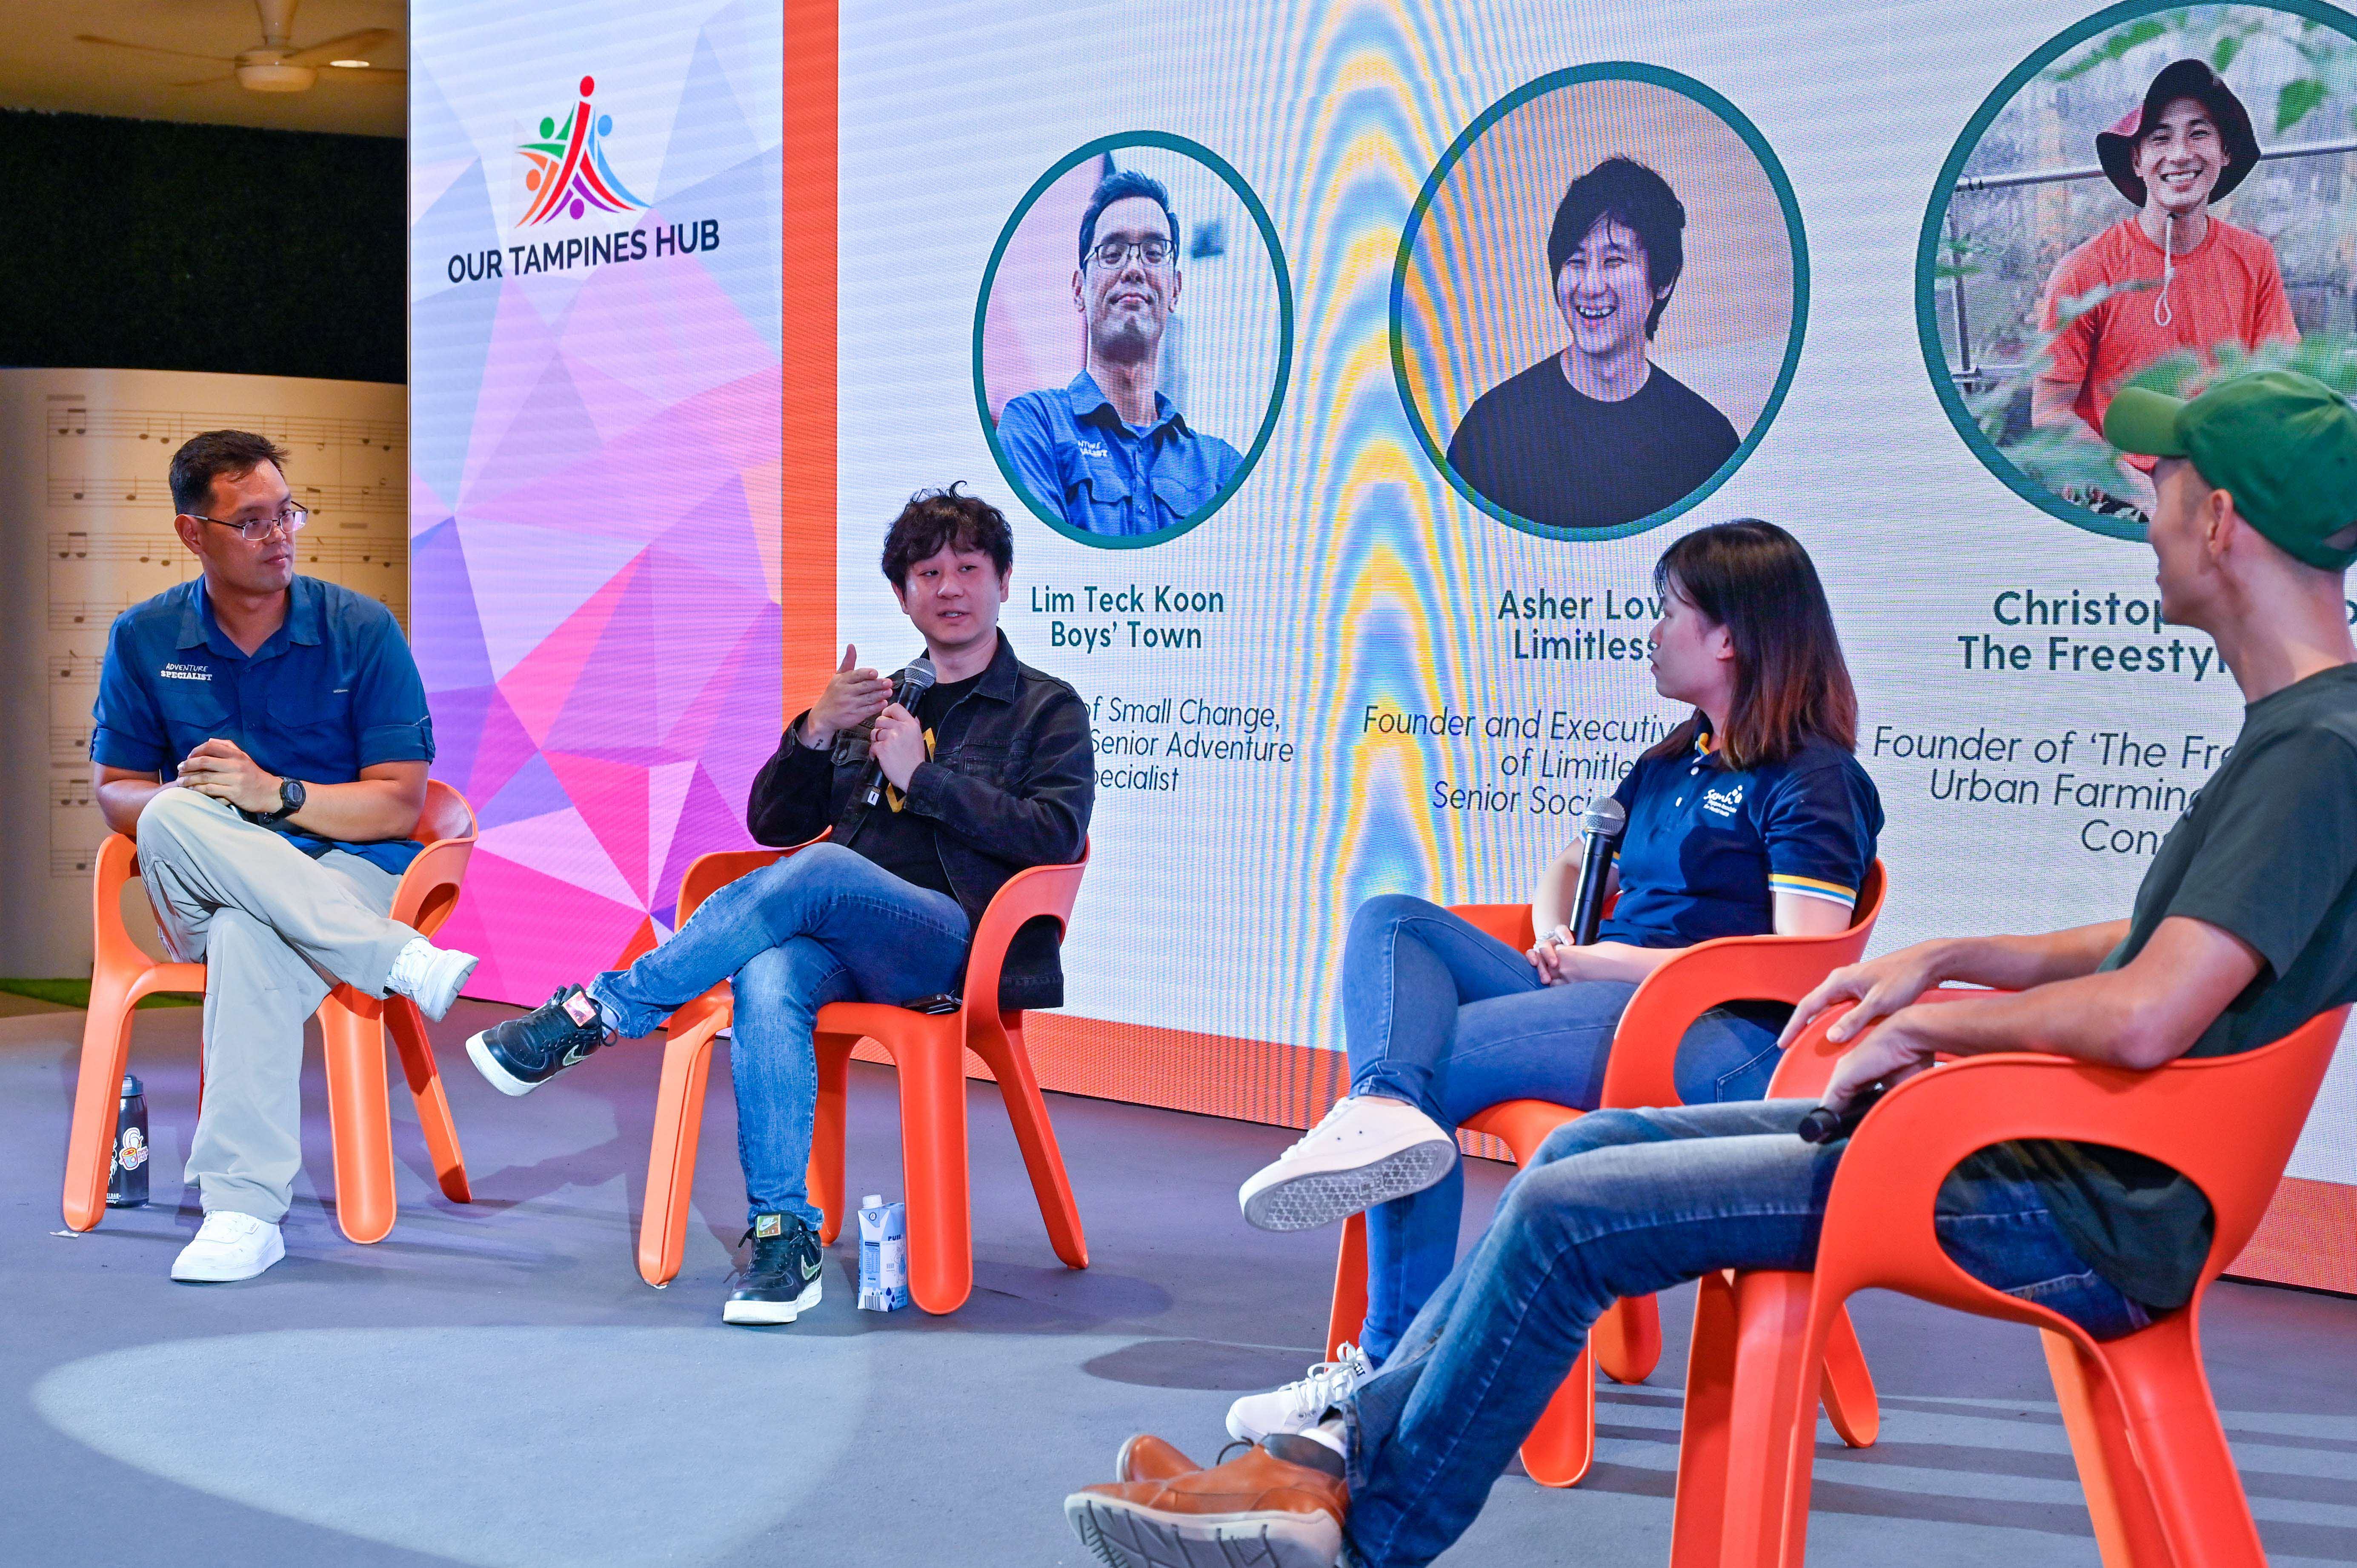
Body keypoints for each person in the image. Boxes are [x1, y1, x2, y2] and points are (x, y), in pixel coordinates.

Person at [1061, 369, 2357, 1568]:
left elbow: (2146, 1014)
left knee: (1571, 1212)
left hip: (2071, 1202)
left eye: (2163, 489)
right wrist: (1948, 956)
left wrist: (1935, 1035)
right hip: (2034, 1156)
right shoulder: (2297, 735)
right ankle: (1332, 1464)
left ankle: (1362, 1524)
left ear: (2223, 519)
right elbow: (2152, 944)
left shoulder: (2315, 752)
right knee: (1575, 1154)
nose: (2147, 517)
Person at [1224, 518, 1879, 1443]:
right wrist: (1553, 931)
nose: (1651, 632)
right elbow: (1576, 858)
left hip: (1721, 1040)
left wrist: (1607, 963)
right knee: (1393, 923)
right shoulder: (1670, 760)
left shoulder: (1813, 779)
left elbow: (1800, 964)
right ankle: (1380, 1108)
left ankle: (1384, 1385)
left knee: (1432, 1083)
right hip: (1599, 996)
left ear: (1731, 636)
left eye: (1669, 613)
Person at [465, 486, 1093, 1325]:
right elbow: (774, 823)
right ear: (904, 594)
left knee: (823, 869)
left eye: (968, 568)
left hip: (957, 942)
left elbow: (1055, 834)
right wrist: (812, 733)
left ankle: (600, 1012)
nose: (949, 587)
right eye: (928, 572)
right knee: (768, 970)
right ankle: (783, 1234)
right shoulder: (880, 696)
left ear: (1004, 582)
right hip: (843, 937)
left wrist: (924, 781)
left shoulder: (1047, 708)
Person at [89, 430, 478, 1285]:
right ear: (195, 533)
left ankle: (241, 1212)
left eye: (287, 513)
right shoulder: (143, 635)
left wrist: (277, 794)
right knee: (166, 818)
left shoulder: (362, 629)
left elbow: (400, 803)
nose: (280, 536)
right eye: (253, 521)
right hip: (202, 878)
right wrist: (194, 809)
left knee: (249, 934)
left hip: (348, 866)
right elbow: (117, 786)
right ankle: (401, 963)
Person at [1445, 156, 1740, 531]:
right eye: (1576, 261)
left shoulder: (1706, 439)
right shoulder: (1492, 428)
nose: (1591, 286)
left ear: (1664, 280)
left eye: (1614, 262)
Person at [2032, 60, 2295, 458]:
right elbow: (2050, 412)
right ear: (2137, 160)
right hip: (2123, 497)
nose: (2180, 155)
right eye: (2160, 138)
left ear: (2224, 152)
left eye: (2199, 134)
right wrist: (2143, 494)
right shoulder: (2086, 270)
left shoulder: (2254, 257)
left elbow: (2282, 380)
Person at [996, 169, 1243, 537]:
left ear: (1175, 289)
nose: (1133, 269)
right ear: (1079, 290)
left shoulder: (1222, 469)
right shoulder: (1035, 428)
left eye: (1154, 253)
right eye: (1112, 254)